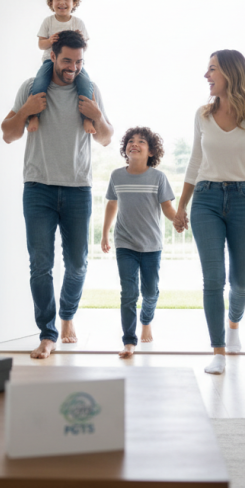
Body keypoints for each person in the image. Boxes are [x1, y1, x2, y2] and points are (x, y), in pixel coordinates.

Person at [0, 29, 114, 360]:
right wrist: (25, 111)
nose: (73, 68)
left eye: (79, 62)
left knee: (77, 264)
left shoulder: (89, 90)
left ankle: (67, 316)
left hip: (78, 188)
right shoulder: (31, 88)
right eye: (67, 61)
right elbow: (8, 135)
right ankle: (47, 334)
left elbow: (106, 138)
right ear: (52, 56)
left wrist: (97, 117)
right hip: (38, 188)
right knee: (40, 265)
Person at [173, 50, 245, 375]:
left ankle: (234, 324)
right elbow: (194, 161)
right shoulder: (202, 115)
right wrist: (181, 206)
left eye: (212, 69)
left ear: (230, 73)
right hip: (206, 199)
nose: (207, 75)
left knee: (241, 281)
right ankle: (218, 350)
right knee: (213, 278)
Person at [100, 127, 178, 359]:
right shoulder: (116, 176)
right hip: (125, 244)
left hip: (152, 246)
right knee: (128, 293)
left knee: (150, 291)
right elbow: (112, 205)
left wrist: (178, 219)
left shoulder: (158, 177)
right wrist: (105, 234)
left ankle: (146, 321)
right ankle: (129, 341)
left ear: (151, 150)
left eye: (141, 141)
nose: (134, 144)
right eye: (130, 141)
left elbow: (167, 207)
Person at [26, 0, 96, 135]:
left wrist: (81, 40)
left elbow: (85, 48)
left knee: (85, 83)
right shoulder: (48, 22)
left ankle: (87, 118)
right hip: (50, 62)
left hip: (74, 63)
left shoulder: (78, 23)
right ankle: (33, 116)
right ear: (51, 2)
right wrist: (50, 40)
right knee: (39, 82)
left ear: (74, 2)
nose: (62, 2)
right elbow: (41, 44)